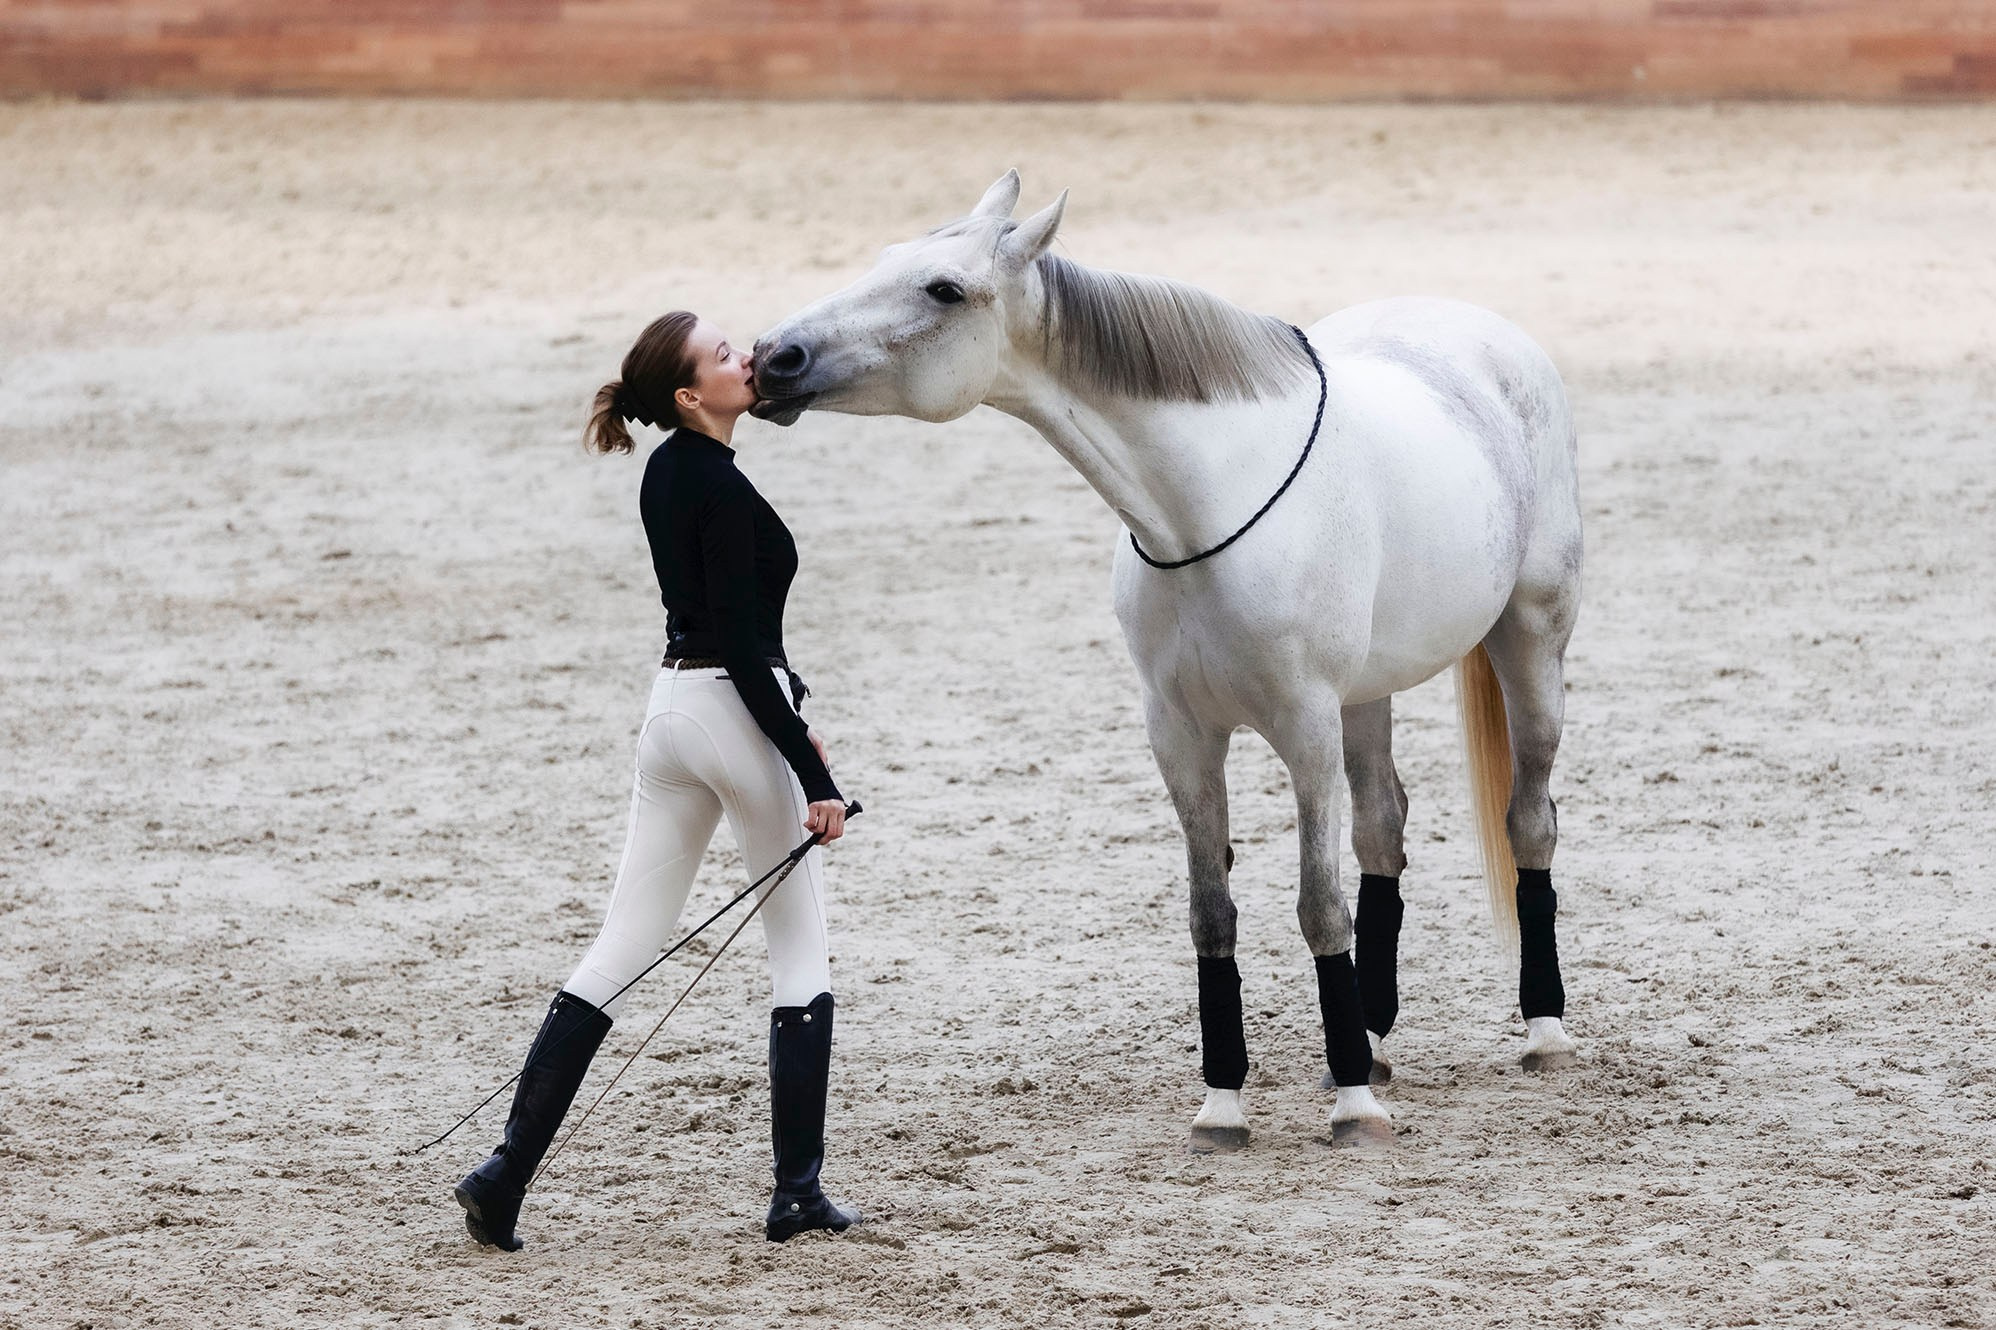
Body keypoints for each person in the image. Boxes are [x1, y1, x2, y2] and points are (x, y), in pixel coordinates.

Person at [453, 311, 861, 1249]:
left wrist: (792, 708)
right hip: (733, 710)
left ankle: (504, 1175)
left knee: (622, 945)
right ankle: (797, 1194)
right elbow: (743, 649)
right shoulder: (718, 483)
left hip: (672, 713)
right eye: (724, 355)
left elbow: (721, 626)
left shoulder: (668, 469)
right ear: (688, 395)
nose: (746, 357)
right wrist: (811, 772)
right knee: (800, 953)